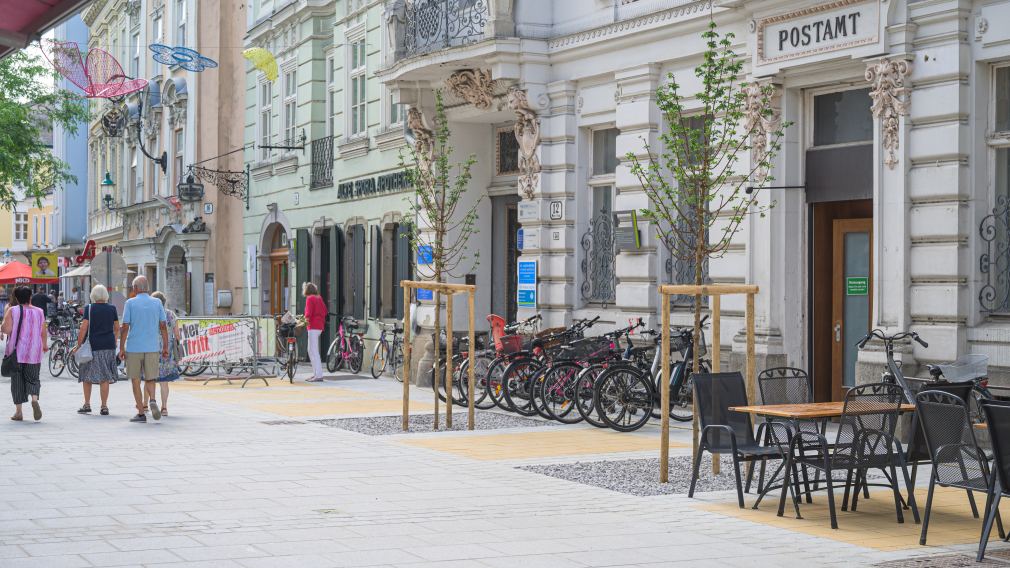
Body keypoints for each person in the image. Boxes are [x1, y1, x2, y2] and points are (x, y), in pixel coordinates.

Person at [119, 276, 168, 423]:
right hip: (152, 346)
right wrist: (165, 346)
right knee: (150, 377)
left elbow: (125, 326)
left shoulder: (130, 303)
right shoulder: (157, 302)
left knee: (135, 380)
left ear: (135, 288)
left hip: (134, 347)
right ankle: (152, 399)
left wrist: (121, 347)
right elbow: (163, 325)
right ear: (147, 287)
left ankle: (141, 412)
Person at [2, 286, 48, 421]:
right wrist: (44, 345)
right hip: (34, 351)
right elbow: (43, 331)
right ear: (30, 297)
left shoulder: (13, 310)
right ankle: (34, 399)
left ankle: (19, 412)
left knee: (17, 380)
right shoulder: (39, 311)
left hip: (17, 351)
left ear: (16, 298)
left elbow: (6, 329)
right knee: (33, 378)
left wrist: (2, 326)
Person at [73, 284, 119, 416]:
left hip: (92, 346)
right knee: (104, 377)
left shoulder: (90, 308)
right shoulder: (112, 308)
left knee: (87, 375)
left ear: (93, 295)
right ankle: (104, 406)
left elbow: (84, 328)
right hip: (108, 346)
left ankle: (87, 404)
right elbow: (117, 327)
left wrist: (78, 344)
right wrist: (114, 340)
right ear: (105, 295)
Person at [146, 291, 180, 415]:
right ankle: (164, 407)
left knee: (149, 379)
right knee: (164, 381)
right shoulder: (171, 315)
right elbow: (177, 335)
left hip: (151, 348)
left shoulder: (150, 315)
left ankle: (146, 404)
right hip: (167, 351)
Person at [302, 282, 326, 382]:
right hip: (319, 326)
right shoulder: (319, 298)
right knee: (311, 350)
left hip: (313, 327)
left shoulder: (310, 298)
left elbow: (308, 313)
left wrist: (302, 321)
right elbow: (325, 311)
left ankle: (318, 375)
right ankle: (316, 373)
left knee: (313, 351)